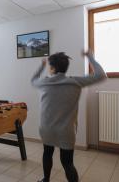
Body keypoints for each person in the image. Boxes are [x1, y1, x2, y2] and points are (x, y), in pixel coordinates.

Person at [31, 51, 106, 182]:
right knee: (67, 163)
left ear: (52, 68)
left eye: (49, 66)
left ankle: (45, 179)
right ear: (65, 67)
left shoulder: (44, 82)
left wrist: (41, 66)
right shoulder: (76, 82)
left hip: (46, 129)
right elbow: (101, 75)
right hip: (66, 131)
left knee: (47, 153)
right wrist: (90, 57)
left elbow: (33, 80)